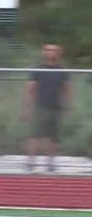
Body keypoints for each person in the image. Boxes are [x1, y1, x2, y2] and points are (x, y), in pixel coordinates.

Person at [25, 44, 71, 173]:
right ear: (44, 53)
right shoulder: (38, 69)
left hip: (55, 108)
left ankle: (51, 162)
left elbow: (67, 90)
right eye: (48, 50)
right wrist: (27, 108)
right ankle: (31, 161)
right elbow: (30, 90)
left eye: (54, 50)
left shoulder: (62, 70)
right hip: (40, 107)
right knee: (34, 135)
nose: (51, 52)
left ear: (58, 53)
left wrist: (67, 107)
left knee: (53, 137)